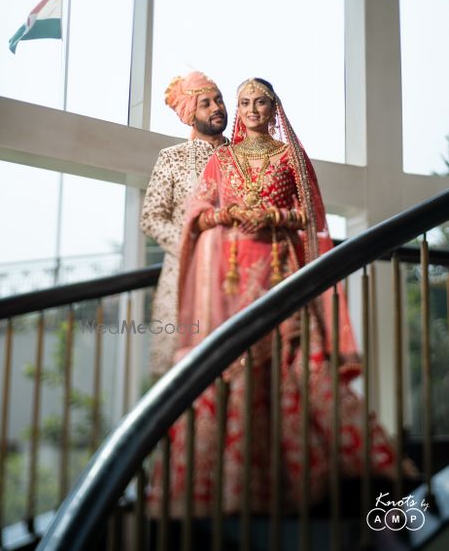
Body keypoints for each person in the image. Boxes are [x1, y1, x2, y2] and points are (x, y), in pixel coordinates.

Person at [149, 78, 404, 517]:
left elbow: (311, 216)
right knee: (226, 364)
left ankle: (320, 477)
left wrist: (274, 215)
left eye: (255, 102)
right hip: (218, 279)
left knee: (295, 357)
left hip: (278, 266)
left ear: (273, 108)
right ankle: (226, 487)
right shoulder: (206, 159)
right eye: (241, 101)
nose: (244, 109)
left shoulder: (288, 156)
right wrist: (221, 217)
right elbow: (186, 213)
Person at [140, 71, 228, 379]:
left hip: (233, 274)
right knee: (180, 375)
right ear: (191, 114)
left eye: (219, 100)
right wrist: (193, 247)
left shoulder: (240, 157)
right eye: (205, 103)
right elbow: (151, 216)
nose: (216, 107)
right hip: (184, 273)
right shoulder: (173, 158)